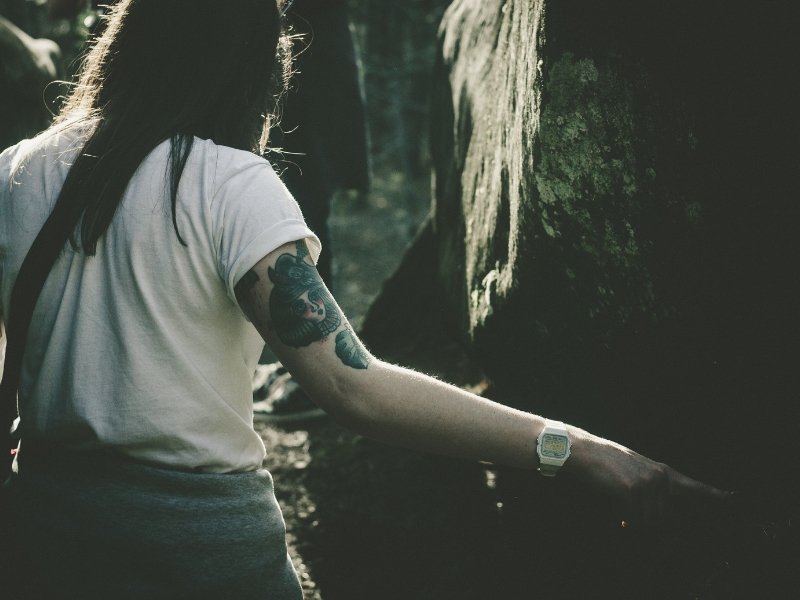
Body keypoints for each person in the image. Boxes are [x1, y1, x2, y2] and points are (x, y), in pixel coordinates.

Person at [0, 1, 728, 598]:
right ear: (250, 62)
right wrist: (579, 450)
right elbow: (356, 391)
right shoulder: (228, 186)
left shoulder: (16, 173)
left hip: (45, 541)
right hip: (203, 558)